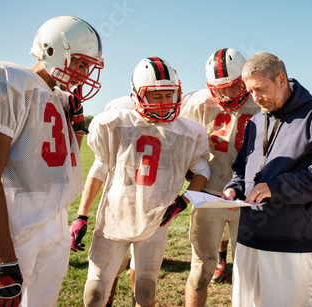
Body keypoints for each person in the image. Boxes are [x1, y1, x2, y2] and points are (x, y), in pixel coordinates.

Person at [0, 15, 104, 306]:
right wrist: (5, 260)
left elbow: (63, 167)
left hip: (53, 219)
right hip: (13, 222)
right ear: (51, 50)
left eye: (88, 67)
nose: (83, 73)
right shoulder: (5, 80)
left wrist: (76, 127)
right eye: (79, 63)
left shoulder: (61, 98)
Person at [69, 57, 211, 307]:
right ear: (137, 95)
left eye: (169, 94)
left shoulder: (187, 130)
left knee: (146, 289)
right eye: (156, 96)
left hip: (156, 217)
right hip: (115, 216)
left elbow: (202, 170)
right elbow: (99, 168)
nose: (164, 101)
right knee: (95, 292)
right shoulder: (115, 123)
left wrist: (183, 201)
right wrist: (82, 214)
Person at [222, 52, 312, 306]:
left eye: (260, 88)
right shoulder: (256, 121)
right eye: (250, 91)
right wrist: (234, 188)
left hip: (293, 243)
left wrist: (276, 187)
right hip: (249, 239)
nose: (255, 98)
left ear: (281, 79)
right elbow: (242, 167)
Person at [181, 48, 260, 307]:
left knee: (248, 275)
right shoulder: (198, 103)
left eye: (233, 87)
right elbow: (183, 145)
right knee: (201, 271)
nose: (226, 95)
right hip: (210, 196)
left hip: (248, 199)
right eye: (220, 89)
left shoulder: (261, 99)